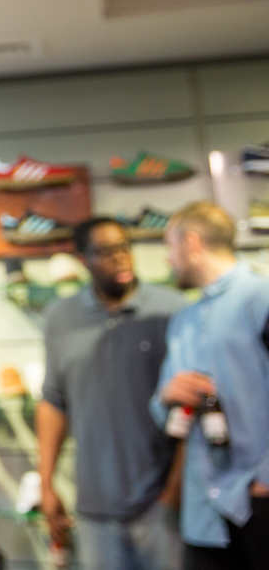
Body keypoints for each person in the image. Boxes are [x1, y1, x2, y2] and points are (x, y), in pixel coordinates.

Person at [37, 216, 185, 570]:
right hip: (94, 506)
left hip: (160, 503)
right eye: (105, 251)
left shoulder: (172, 310)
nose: (119, 257)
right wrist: (46, 483)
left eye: (124, 247)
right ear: (82, 259)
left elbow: (190, 410)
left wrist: (173, 493)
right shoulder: (60, 317)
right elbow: (54, 401)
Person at [150, 202, 269, 570]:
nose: (168, 259)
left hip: (259, 503)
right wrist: (167, 395)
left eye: (170, 246)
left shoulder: (261, 298)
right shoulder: (183, 320)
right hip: (203, 512)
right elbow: (160, 411)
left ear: (191, 242)